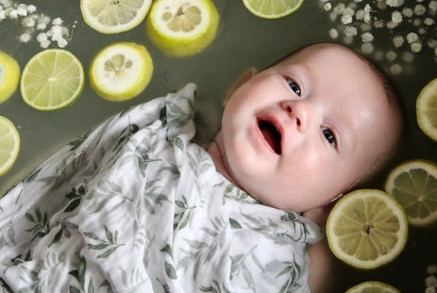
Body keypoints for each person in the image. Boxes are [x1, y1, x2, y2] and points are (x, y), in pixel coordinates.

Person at [0, 43, 403, 292]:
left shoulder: (285, 253)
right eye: (294, 86)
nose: (299, 111)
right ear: (238, 88)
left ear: (336, 198)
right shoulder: (156, 135)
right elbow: (68, 182)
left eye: (330, 136)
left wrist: (323, 254)